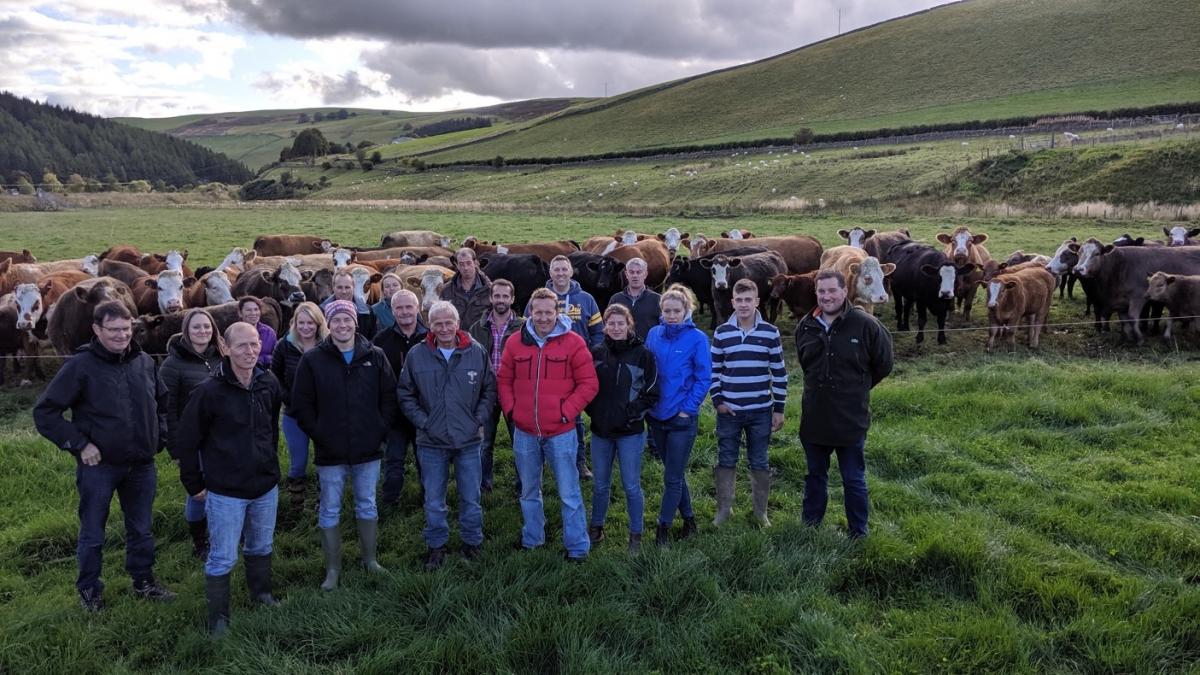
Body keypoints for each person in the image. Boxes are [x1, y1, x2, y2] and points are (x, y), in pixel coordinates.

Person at [33, 300, 175, 612]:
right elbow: (45, 413)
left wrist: (159, 438)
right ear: (97, 329)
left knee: (141, 527)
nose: (123, 336)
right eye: (114, 330)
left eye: (127, 329)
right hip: (100, 466)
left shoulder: (143, 361)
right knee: (93, 530)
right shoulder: (80, 366)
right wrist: (79, 444)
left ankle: (144, 581)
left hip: (141, 463)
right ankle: (90, 591)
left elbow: (162, 402)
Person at [174, 322, 284, 636]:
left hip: (264, 484)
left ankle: (262, 595)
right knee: (222, 556)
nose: (250, 352)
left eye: (254, 345)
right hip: (226, 490)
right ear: (225, 347)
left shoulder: (268, 382)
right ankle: (219, 619)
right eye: (241, 346)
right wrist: (194, 484)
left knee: (261, 545)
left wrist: (270, 465)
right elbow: (187, 439)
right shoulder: (209, 391)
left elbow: (271, 428)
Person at [291, 299, 398, 590]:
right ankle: (332, 570)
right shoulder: (313, 360)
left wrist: (379, 429)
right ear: (328, 324)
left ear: (355, 322)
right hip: (330, 450)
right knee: (329, 507)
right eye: (336, 320)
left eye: (347, 320)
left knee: (367, 503)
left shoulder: (374, 356)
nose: (342, 325)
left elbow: (389, 397)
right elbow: (301, 403)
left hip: (368, 447)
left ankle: (370, 559)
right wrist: (320, 433)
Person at [499, 287, 599, 562]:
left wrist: (566, 412)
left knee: (569, 492)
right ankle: (533, 538)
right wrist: (512, 411)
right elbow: (504, 380)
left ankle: (577, 547)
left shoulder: (574, 342)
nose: (543, 318)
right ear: (529, 312)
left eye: (548, 312)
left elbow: (589, 383)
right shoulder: (516, 342)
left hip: (562, 432)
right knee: (529, 490)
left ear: (557, 312)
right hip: (525, 432)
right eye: (538, 312)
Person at [794, 269, 893, 539]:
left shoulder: (865, 324)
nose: (827, 297)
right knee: (815, 476)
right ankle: (810, 528)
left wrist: (858, 387)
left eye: (832, 291)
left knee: (853, 478)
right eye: (821, 291)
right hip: (814, 416)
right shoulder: (806, 325)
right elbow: (806, 365)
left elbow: (884, 363)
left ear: (843, 291)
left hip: (850, 417)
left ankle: (858, 533)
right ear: (816, 293)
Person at [397, 301, 496, 571]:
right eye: (437, 323)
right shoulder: (418, 355)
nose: (443, 328)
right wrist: (424, 422)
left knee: (470, 496)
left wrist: (478, 419)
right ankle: (436, 546)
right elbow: (405, 394)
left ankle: (472, 542)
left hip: (468, 440)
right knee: (434, 499)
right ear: (430, 325)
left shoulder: (476, 352)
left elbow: (490, 390)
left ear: (457, 324)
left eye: (448, 323)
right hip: (431, 441)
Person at [709, 278, 787, 528]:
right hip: (729, 409)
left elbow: (779, 370)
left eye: (748, 300)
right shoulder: (722, 333)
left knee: (760, 459)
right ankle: (724, 509)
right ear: (732, 302)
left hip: (760, 409)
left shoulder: (770, 332)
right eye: (739, 300)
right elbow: (714, 370)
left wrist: (779, 408)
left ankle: (760, 511)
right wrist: (718, 400)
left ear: (757, 301)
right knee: (726, 457)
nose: (743, 304)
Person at [585, 304, 659, 553]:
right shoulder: (595, 353)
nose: (616, 328)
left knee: (631, 485)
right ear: (605, 325)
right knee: (600, 484)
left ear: (629, 325)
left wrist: (631, 414)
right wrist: (595, 413)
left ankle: (636, 533)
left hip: (630, 431)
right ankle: (596, 526)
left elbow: (651, 392)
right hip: (600, 431)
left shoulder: (643, 355)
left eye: (621, 323)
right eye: (611, 323)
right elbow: (587, 389)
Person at [644, 284, 711, 547]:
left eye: (677, 311)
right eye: (667, 311)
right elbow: (648, 371)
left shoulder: (697, 339)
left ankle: (663, 527)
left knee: (671, 476)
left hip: (681, 418)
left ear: (686, 310)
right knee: (674, 472)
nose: (672, 315)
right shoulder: (654, 334)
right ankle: (690, 520)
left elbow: (703, 377)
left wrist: (688, 409)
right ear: (661, 311)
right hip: (656, 416)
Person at [528, 255, 603, 479]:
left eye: (564, 269)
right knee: (540, 413)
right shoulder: (538, 299)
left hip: (575, 369)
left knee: (574, 416)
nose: (560, 273)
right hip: (545, 368)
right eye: (556, 270)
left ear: (571, 272)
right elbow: (526, 330)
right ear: (549, 273)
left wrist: (591, 357)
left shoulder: (587, 299)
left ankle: (579, 462)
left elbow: (598, 333)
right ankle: (539, 462)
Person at [159, 308, 223, 558]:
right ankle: (200, 541)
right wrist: (175, 447)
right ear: (185, 331)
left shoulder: (220, 357)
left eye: (207, 327)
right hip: (193, 440)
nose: (202, 331)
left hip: (223, 437)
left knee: (224, 487)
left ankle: (224, 532)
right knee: (198, 491)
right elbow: (167, 409)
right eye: (196, 327)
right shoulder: (172, 365)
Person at [270, 301, 328, 518]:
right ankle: (297, 507)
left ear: (318, 324)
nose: (306, 327)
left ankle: (324, 503)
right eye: (301, 323)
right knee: (298, 462)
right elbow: (274, 374)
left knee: (325, 460)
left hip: (323, 414)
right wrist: (290, 398)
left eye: (310, 323)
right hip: (294, 414)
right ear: (295, 323)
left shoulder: (328, 344)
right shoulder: (284, 345)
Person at [466, 278, 524, 493]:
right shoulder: (477, 327)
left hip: (515, 391)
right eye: (497, 296)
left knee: (520, 441)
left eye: (505, 296)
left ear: (512, 299)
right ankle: (483, 484)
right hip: (487, 390)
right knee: (484, 442)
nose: (501, 300)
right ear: (491, 298)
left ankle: (522, 485)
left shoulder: (524, 327)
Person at [372, 288, 427, 511]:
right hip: (395, 413)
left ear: (417, 308)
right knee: (394, 459)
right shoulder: (382, 340)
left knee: (427, 460)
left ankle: (430, 498)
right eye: (399, 308)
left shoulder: (430, 337)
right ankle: (390, 502)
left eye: (408, 307)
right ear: (392, 311)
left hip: (424, 412)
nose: (404, 312)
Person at [607, 257, 661, 339]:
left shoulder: (657, 299)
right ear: (626, 274)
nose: (635, 276)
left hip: (647, 349)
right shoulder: (616, 299)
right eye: (631, 272)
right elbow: (608, 324)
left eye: (639, 272)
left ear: (645, 274)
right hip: (622, 348)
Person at [440, 247, 492, 331]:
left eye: (469, 263)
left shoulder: (489, 289)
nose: (466, 268)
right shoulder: (447, 290)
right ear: (456, 265)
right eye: (461, 264)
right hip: (455, 339)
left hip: (481, 340)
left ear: (475, 263)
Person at [320, 270, 375, 337]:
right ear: (333, 288)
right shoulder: (321, 312)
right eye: (339, 287)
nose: (344, 291)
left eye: (347, 287)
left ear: (353, 287)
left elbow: (372, 338)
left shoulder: (368, 311)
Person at [238, 296, 276, 368]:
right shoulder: (234, 333)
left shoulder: (269, 332)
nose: (253, 313)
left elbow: (276, 356)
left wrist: (261, 359)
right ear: (240, 313)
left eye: (256, 309)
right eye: (248, 310)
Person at [369, 272, 402, 337]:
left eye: (395, 285)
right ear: (383, 291)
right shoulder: (375, 310)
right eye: (387, 286)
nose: (392, 288)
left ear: (401, 287)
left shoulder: (411, 306)